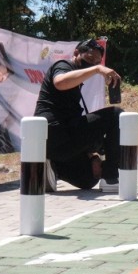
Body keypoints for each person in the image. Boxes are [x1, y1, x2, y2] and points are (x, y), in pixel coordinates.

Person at [33, 39, 123, 192]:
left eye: (96, 61)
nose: (93, 63)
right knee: (116, 115)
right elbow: (60, 83)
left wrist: (93, 155)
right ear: (76, 53)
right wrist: (97, 69)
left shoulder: (78, 81)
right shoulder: (63, 65)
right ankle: (110, 177)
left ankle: (52, 167)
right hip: (56, 131)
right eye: (89, 58)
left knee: (88, 179)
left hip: (62, 143)